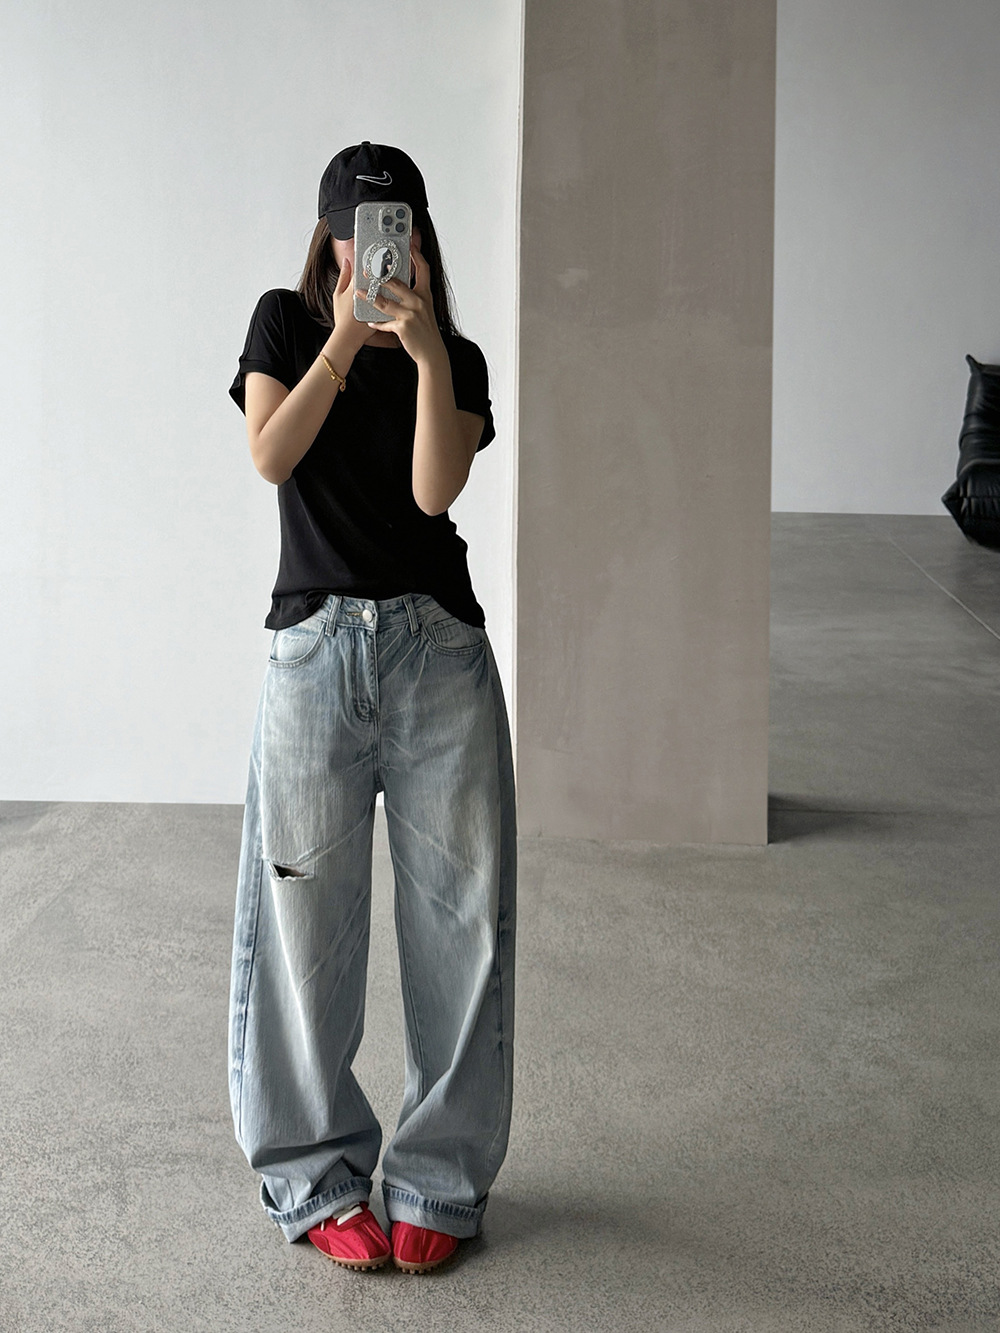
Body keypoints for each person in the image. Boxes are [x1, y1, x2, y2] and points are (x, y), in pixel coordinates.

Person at [226, 142, 517, 1275]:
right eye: (356, 231)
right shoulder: (285, 324)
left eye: (394, 228)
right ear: (330, 238)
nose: (374, 250)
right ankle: (315, 1172)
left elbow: (434, 493)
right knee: (303, 925)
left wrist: (427, 350)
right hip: (313, 654)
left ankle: (439, 1176)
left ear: (421, 237)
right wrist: (345, 338)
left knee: (460, 926)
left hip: (438, 654)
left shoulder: (458, 355)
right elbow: (270, 454)